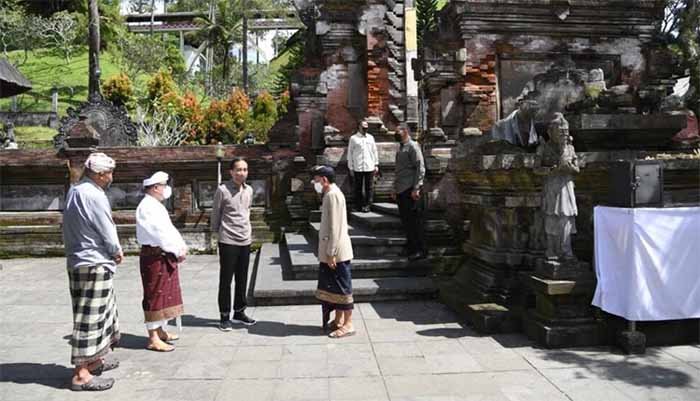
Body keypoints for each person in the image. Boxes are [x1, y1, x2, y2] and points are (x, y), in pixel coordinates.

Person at [62, 152, 122, 392]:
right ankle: (81, 374)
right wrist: (116, 250)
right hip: (93, 260)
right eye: (108, 173)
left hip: (78, 259)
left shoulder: (75, 190)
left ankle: (94, 360)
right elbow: (106, 226)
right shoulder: (94, 195)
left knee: (99, 312)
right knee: (90, 318)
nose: (111, 177)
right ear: (99, 174)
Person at [135, 171, 187, 352]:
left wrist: (180, 246)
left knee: (165, 294)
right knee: (154, 295)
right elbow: (159, 233)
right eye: (164, 185)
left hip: (164, 254)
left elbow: (169, 229)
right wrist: (176, 249)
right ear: (156, 187)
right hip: (155, 255)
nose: (166, 189)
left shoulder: (155, 205)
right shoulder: (147, 207)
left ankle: (160, 330)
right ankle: (153, 337)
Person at [211, 158, 257, 331]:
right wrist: (216, 235)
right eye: (238, 169)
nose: (242, 173)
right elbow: (216, 213)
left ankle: (239, 311)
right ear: (231, 172)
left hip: (245, 239)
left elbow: (247, 211)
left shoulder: (249, 190)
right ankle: (224, 316)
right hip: (228, 240)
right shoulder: (222, 190)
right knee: (226, 280)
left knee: (242, 278)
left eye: (245, 169)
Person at [311, 165, 355, 338]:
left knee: (342, 287)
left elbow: (335, 227)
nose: (315, 183)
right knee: (333, 288)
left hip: (337, 252)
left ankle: (349, 323)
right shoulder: (329, 194)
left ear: (324, 180)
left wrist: (331, 252)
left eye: (316, 179)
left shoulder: (333, 195)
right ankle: (338, 319)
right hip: (331, 250)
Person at [535, 113, 579, 259]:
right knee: (551, 217)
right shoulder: (543, 149)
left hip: (566, 185)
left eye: (566, 132)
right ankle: (552, 250)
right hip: (552, 186)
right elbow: (536, 169)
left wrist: (568, 167)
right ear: (550, 132)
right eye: (560, 132)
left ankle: (566, 250)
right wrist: (551, 170)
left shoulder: (570, 149)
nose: (564, 135)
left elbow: (577, 169)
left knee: (566, 218)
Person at [392, 125, 427, 261]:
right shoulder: (401, 147)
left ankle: (419, 249)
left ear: (405, 132)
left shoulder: (413, 146)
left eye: (398, 132)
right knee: (406, 221)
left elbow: (420, 167)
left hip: (410, 189)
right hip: (401, 188)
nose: (396, 135)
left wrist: (417, 187)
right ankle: (410, 247)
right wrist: (394, 188)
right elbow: (399, 170)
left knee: (414, 222)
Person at [347, 120, 379, 212]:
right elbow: (350, 153)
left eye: (366, 127)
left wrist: (376, 164)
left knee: (369, 187)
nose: (365, 129)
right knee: (358, 187)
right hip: (358, 166)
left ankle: (368, 205)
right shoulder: (353, 138)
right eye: (363, 127)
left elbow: (374, 151)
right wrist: (351, 167)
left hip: (369, 165)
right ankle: (358, 205)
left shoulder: (371, 138)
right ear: (359, 127)